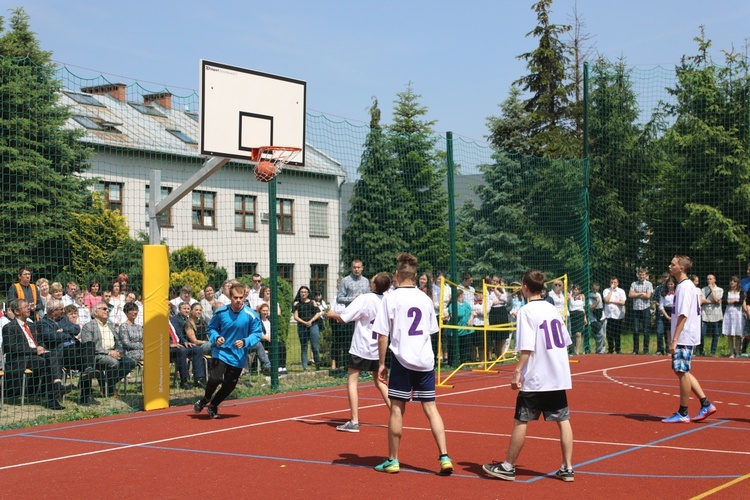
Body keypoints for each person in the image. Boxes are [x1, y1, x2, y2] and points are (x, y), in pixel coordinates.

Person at [483, 269, 574, 482]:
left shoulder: (526, 311)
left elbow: (526, 347)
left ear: (525, 288)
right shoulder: (552, 308)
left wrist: (516, 372)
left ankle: (508, 466)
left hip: (537, 377)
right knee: (563, 420)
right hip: (557, 375)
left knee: (521, 420)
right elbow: (565, 341)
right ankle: (568, 467)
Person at [372, 252, 453, 476]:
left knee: (397, 409)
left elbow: (382, 335)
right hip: (424, 360)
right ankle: (444, 456)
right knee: (431, 409)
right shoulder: (425, 299)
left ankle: (393, 460)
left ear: (397, 274)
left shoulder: (390, 298)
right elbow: (431, 331)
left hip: (402, 360)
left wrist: (381, 364)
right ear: (416, 276)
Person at [326, 272, 392, 432]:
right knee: (380, 381)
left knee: (352, 382)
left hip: (361, 347)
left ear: (375, 285)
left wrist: (331, 314)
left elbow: (344, 317)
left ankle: (354, 421)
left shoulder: (365, 298)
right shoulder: (389, 301)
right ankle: (395, 413)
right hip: (378, 348)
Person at [194, 283, 262, 419]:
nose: (238, 300)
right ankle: (206, 398)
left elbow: (257, 333)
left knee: (229, 385)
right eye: (235, 297)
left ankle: (213, 405)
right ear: (230, 297)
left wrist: (245, 341)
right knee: (215, 378)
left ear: (244, 297)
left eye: (241, 298)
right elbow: (211, 329)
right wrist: (216, 337)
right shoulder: (221, 312)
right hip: (221, 351)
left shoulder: (251, 315)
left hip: (238, 355)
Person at [662, 255, 717, 423]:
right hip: (686, 335)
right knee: (683, 371)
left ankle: (683, 412)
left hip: (684, 336)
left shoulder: (685, 287)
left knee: (681, 371)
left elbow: (683, 315)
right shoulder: (685, 286)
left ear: (681, 268)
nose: (670, 266)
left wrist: (674, 340)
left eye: (673, 264)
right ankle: (705, 403)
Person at [1, 299, 66, 410]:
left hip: (37, 356)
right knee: (46, 361)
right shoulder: (9, 327)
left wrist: (41, 348)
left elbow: (40, 342)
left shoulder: (32, 326)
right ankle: (52, 395)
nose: (29, 308)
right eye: (25, 306)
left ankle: (56, 385)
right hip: (20, 359)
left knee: (52, 354)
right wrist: (35, 350)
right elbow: (11, 348)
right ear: (17, 311)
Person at [80, 301, 137, 398]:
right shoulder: (88, 326)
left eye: (108, 309)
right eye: (104, 309)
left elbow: (118, 341)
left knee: (131, 362)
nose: (107, 311)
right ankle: (109, 388)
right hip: (97, 355)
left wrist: (118, 351)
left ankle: (107, 385)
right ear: (95, 312)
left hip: (113, 352)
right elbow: (89, 346)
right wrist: (109, 352)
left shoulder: (110, 325)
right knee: (113, 362)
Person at [169, 302, 208, 388]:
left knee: (197, 349)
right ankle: (184, 381)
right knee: (182, 350)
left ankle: (198, 379)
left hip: (180, 345)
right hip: (168, 348)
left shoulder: (174, 320)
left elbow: (179, 335)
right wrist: (170, 344)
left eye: (168, 308)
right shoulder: (160, 322)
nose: (167, 310)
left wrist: (185, 342)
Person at [293, 286, 321, 371]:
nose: (303, 293)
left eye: (305, 292)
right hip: (302, 327)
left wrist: (311, 321)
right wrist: (304, 322)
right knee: (304, 347)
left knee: (315, 346)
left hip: (313, 326)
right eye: (302, 292)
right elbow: (295, 316)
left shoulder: (313, 302)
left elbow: (318, 313)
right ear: (299, 293)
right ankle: (305, 367)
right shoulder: (297, 304)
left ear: (308, 293)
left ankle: (317, 365)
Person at [628, 268, 653, 354]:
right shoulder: (634, 284)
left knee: (646, 330)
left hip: (645, 309)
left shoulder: (649, 284)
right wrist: (641, 293)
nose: (641, 276)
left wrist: (636, 294)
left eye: (643, 275)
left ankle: (645, 350)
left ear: (645, 275)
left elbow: (648, 296)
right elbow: (630, 295)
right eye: (640, 274)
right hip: (636, 309)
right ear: (638, 275)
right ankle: (635, 350)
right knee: (636, 330)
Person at [699, 274, 723, 356]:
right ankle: (701, 350)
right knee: (702, 333)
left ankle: (713, 351)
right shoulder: (703, 289)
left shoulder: (720, 290)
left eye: (710, 279)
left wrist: (712, 290)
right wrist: (712, 302)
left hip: (715, 314)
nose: (709, 280)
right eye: (708, 279)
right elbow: (701, 300)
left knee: (715, 333)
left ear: (714, 280)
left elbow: (717, 299)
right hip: (705, 314)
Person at [722, 277, 744, 358]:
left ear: (737, 283)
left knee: (738, 335)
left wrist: (731, 301)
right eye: (731, 281)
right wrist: (735, 300)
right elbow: (724, 302)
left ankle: (738, 352)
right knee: (730, 334)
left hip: (738, 314)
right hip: (729, 314)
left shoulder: (740, 292)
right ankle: (731, 352)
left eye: (734, 281)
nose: (732, 282)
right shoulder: (727, 292)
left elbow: (740, 302)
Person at [602, 278, 626, 354]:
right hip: (609, 315)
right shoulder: (606, 290)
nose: (613, 284)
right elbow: (606, 300)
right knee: (609, 333)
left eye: (615, 282)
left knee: (617, 333)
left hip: (618, 315)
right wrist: (611, 291)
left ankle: (618, 349)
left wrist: (612, 301)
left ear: (617, 283)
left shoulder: (621, 291)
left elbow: (622, 302)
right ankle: (610, 349)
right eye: (612, 282)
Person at [658, 278, 676, 356]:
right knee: (668, 332)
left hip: (675, 312)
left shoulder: (677, 293)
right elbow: (661, 306)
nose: (670, 286)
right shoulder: (663, 293)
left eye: (671, 284)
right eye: (668, 284)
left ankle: (675, 347)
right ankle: (669, 349)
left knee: (675, 332)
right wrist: (667, 316)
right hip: (666, 312)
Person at [568, 284, 586, 355]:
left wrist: (585, 318)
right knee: (572, 334)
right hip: (572, 314)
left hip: (580, 314)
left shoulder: (582, 296)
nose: (575, 291)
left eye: (577, 289)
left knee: (578, 334)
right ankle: (571, 350)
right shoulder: (570, 296)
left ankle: (577, 350)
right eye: (574, 289)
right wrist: (571, 292)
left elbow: (583, 307)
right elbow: (568, 298)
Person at [588, 282, 605, 354]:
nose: (595, 291)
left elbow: (601, 306)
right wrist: (597, 301)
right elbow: (591, 308)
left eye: (597, 289)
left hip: (602, 317)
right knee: (599, 334)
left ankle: (602, 350)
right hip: (594, 318)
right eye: (594, 289)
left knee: (603, 335)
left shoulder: (598, 294)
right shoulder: (589, 296)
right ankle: (599, 350)